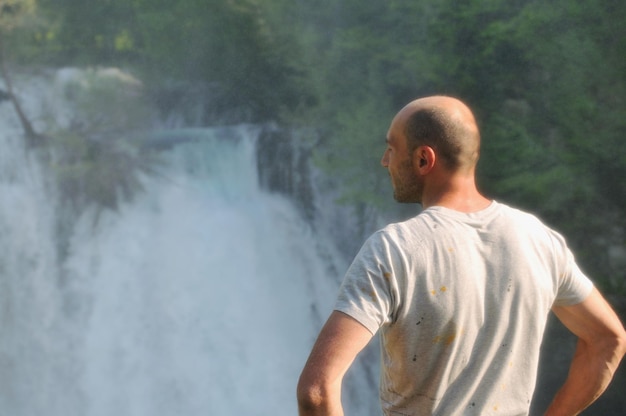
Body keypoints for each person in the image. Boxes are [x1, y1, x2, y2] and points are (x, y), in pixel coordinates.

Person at [297, 96, 626, 415]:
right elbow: (609, 339)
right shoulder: (539, 240)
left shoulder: (395, 248)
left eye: (392, 148)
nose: (385, 160)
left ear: (424, 159)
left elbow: (317, 391)